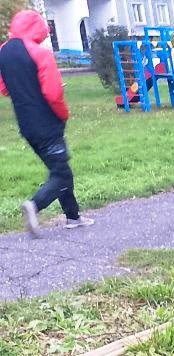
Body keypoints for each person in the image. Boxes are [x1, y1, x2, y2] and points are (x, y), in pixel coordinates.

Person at [0, 10, 91, 235]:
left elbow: (3, 89)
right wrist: (63, 115)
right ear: (37, 28)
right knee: (62, 175)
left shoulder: (3, 52)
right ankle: (35, 205)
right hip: (47, 124)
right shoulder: (40, 53)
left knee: (58, 168)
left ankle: (73, 216)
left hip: (26, 126)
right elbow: (52, 94)